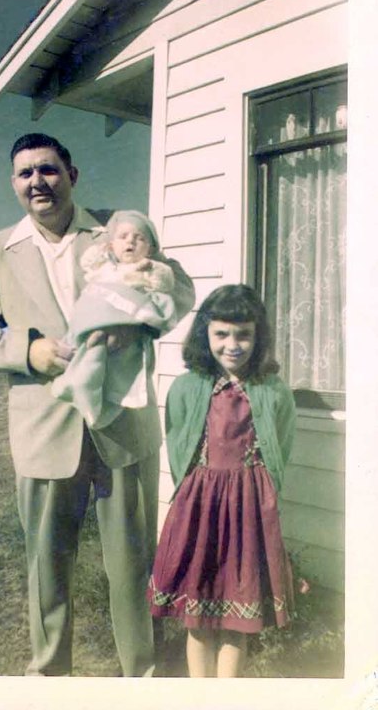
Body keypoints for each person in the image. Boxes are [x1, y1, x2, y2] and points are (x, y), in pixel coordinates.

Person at [0, 132, 195, 678]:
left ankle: (142, 676)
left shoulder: (116, 230)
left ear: (72, 175)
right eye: (25, 173)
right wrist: (28, 351)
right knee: (47, 565)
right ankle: (49, 678)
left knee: (132, 563)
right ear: (14, 184)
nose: (37, 181)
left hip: (122, 423)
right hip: (44, 427)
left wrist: (140, 323)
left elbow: (178, 286)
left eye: (48, 169)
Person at [147, 284, 296, 678]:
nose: (233, 345)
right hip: (200, 507)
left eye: (243, 334)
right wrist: (193, 491)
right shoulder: (187, 387)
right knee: (198, 613)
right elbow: (178, 440)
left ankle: (225, 695)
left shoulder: (272, 391)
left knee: (237, 615)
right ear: (205, 334)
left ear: (258, 336)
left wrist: (261, 492)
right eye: (222, 334)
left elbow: (280, 446)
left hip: (248, 509)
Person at [52, 209, 177, 429]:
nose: (131, 242)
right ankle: (77, 384)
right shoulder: (106, 266)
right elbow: (87, 262)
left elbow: (165, 283)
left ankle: (95, 403)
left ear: (151, 249)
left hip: (121, 319)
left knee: (111, 368)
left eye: (140, 238)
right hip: (92, 316)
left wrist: (151, 269)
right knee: (86, 356)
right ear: (111, 245)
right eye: (123, 237)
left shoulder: (146, 269)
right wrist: (101, 250)